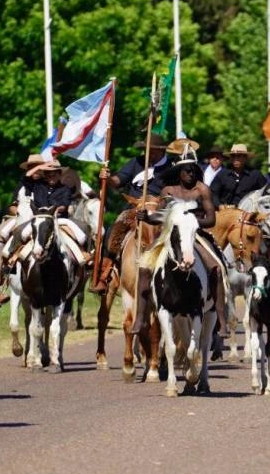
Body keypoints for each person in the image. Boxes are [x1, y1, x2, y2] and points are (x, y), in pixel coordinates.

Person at [132, 144, 229, 338]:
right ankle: (140, 316)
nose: (191, 174)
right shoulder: (168, 190)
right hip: (169, 236)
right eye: (187, 170)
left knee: (215, 268)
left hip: (195, 234)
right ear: (179, 172)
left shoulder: (202, 190)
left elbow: (211, 219)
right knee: (144, 266)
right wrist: (147, 217)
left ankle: (221, 319)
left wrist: (191, 222)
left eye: (193, 170)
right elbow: (160, 216)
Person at [90, 133, 172, 294]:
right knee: (113, 231)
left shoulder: (171, 167)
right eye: (147, 150)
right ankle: (105, 274)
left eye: (153, 151)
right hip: (133, 206)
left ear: (161, 151)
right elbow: (118, 181)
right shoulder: (136, 162)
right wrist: (108, 178)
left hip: (160, 208)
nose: (149, 154)